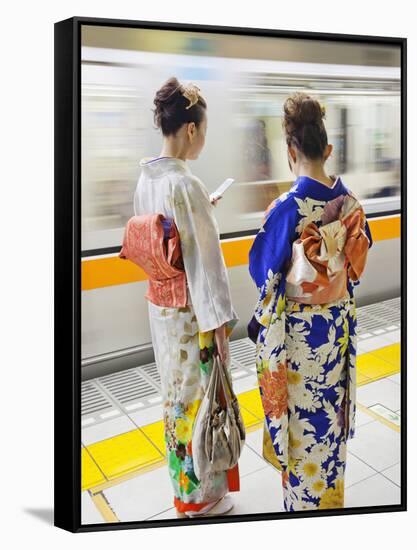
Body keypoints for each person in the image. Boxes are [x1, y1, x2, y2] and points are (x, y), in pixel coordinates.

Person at [248, 92, 373, 512]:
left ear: (290, 150)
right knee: (330, 422)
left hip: (300, 343)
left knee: (302, 429)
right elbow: (355, 267)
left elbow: (263, 273)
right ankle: (331, 503)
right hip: (336, 332)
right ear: (329, 148)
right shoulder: (352, 205)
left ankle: (303, 510)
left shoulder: (285, 208)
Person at [133, 77, 240, 518]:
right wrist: (219, 329)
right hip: (192, 317)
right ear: (191, 129)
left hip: (161, 311)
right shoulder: (187, 184)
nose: (203, 140)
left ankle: (181, 490)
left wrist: (200, 213)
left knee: (174, 399)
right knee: (201, 402)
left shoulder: (147, 178)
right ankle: (203, 498)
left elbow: (165, 244)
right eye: (204, 131)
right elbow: (205, 268)